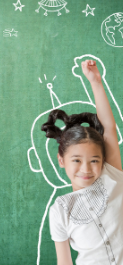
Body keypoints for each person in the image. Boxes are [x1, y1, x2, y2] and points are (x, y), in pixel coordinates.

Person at [41, 60, 123, 265]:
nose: (85, 168)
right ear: (61, 160)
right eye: (76, 160)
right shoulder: (60, 209)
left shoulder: (111, 176)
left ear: (103, 160)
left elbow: (109, 128)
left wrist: (96, 82)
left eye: (94, 160)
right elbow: (64, 262)